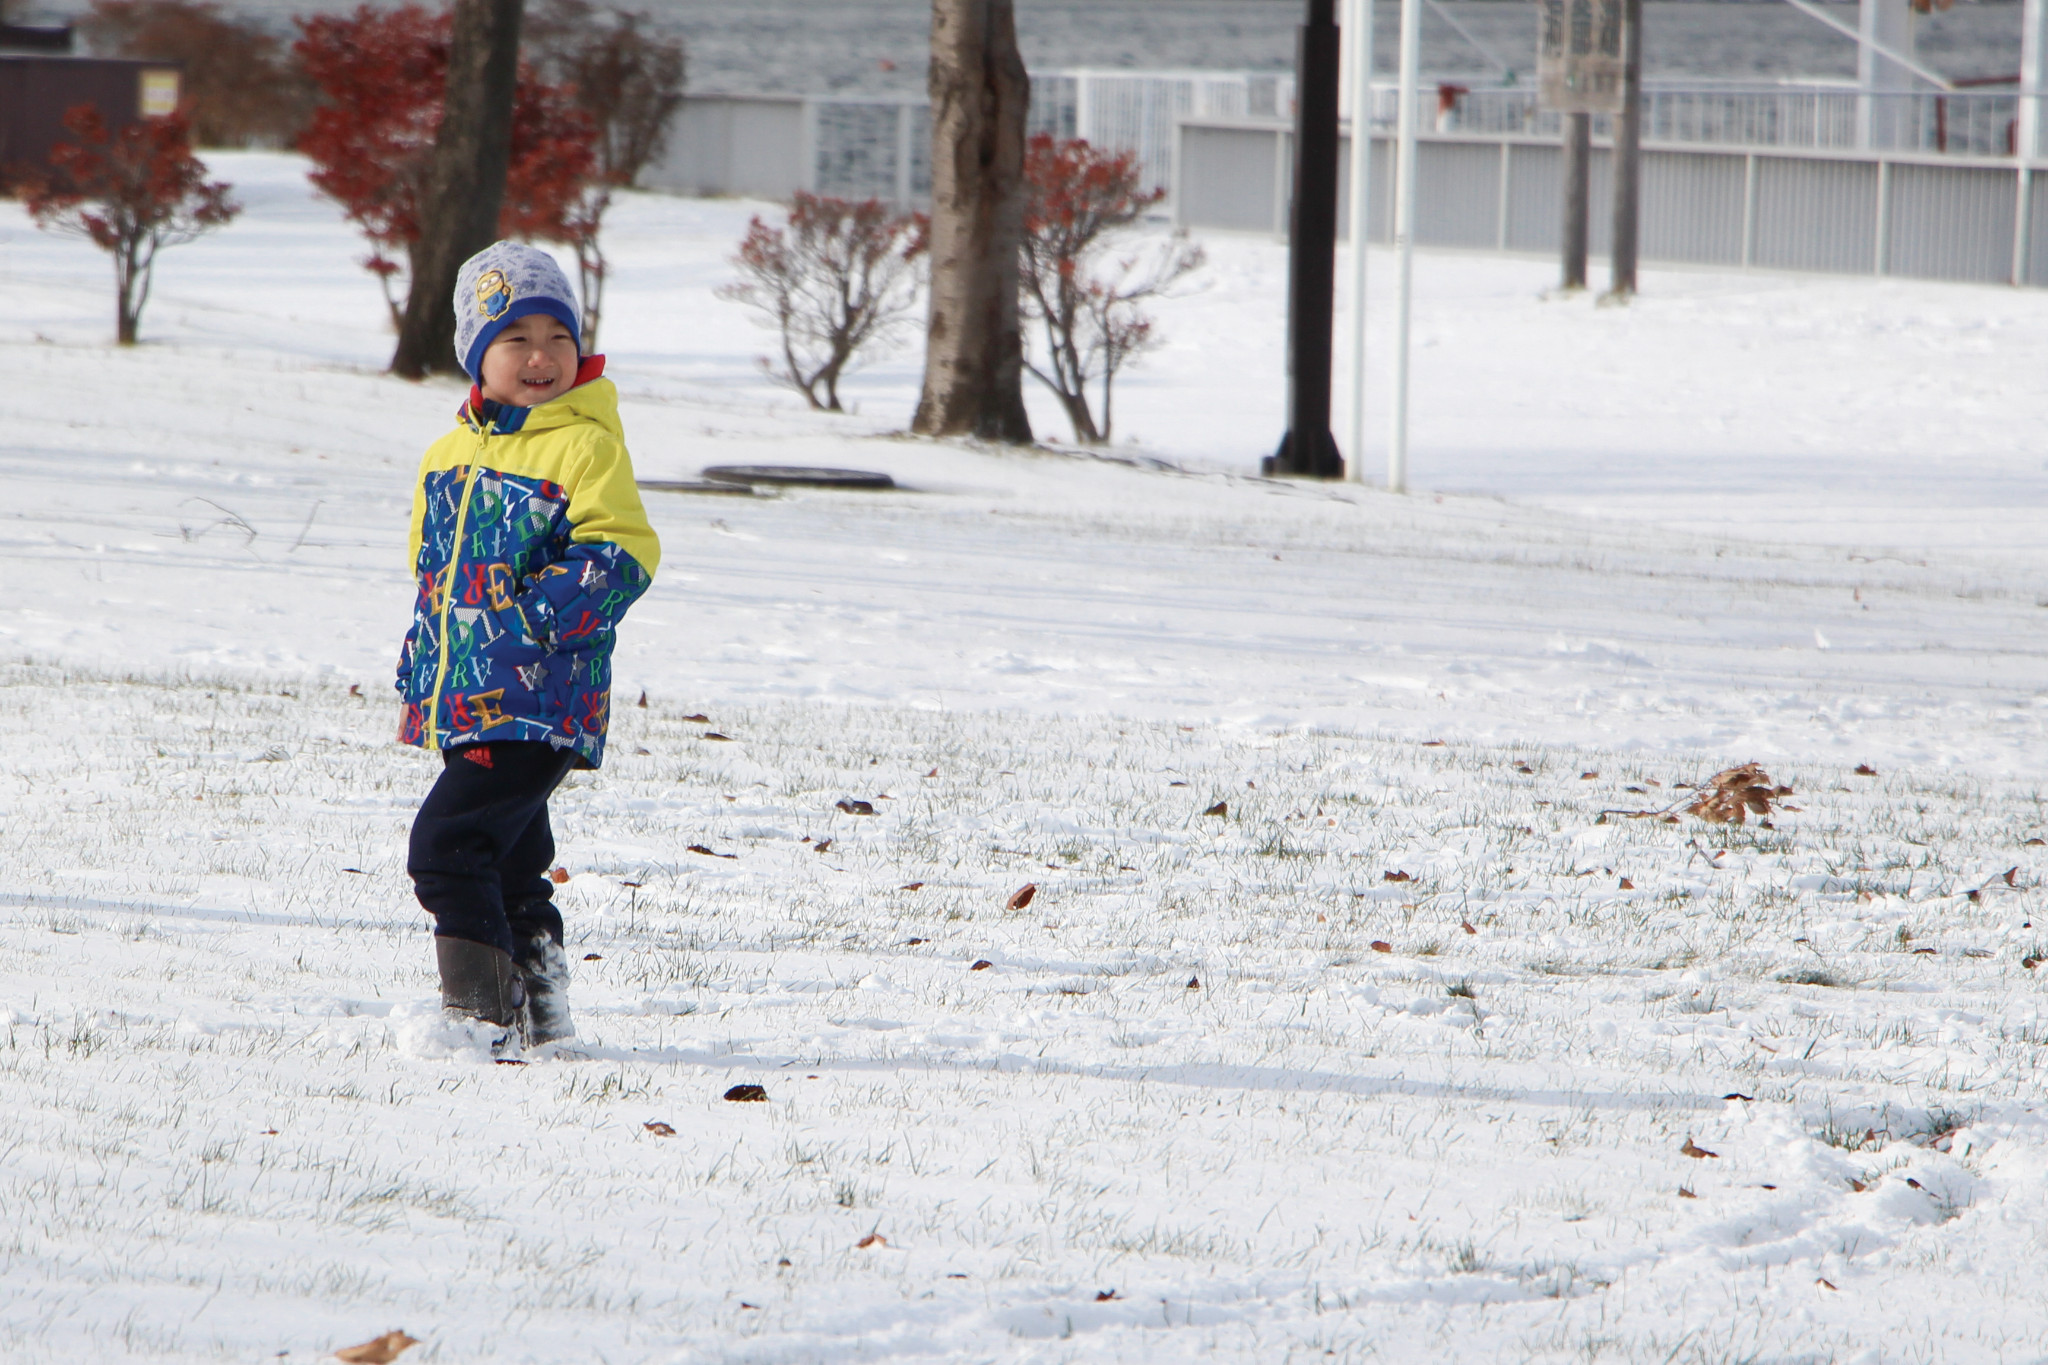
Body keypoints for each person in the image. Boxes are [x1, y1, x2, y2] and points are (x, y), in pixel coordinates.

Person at [395, 241, 659, 1050]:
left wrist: (534, 621)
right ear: (478, 355)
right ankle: (544, 1017)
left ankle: (480, 1022)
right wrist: (423, 661)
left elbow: (623, 552)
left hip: (536, 693)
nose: (540, 355)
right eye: (515, 338)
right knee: (509, 863)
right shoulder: (448, 455)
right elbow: (427, 569)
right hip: (467, 695)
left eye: (557, 335)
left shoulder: (583, 445)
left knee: (446, 849)